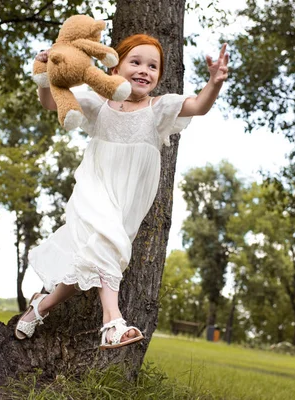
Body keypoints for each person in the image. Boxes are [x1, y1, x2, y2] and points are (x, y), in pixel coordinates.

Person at [15, 33, 229, 349]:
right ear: (115, 69)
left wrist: (215, 82)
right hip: (94, 185)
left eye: (152, 66)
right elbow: (50, 103)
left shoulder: (159, 109)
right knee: (105, 244)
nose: (144, 70)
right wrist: (44, 74)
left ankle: (41, 306)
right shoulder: (97, 103)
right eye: (136, 62)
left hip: (128, 202)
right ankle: (113, 323)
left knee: (95, 258)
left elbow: (198, 106)